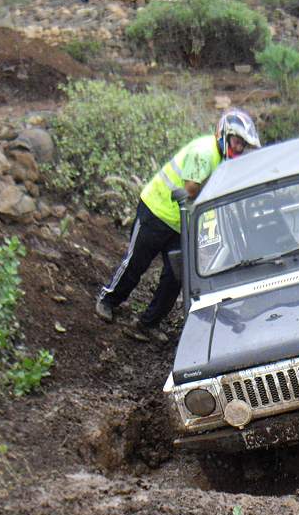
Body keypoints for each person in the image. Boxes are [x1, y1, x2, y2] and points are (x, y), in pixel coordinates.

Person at [95, 109, 260, 341]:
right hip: (156, 211)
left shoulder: (223, 160)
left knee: (176, 276)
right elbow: (191, 189)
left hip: (182, 224)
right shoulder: (204, 152)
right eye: (236, 142)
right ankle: (109, 300)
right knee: (136, 262)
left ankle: (148, 323)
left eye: (243, 145)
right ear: (224, 135)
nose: (239, 148)